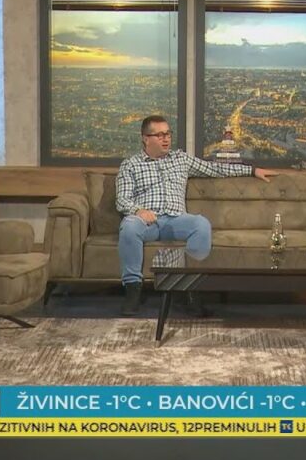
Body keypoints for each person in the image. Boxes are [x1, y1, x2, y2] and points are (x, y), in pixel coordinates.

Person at [117, 115, 278, 316]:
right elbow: (122, 200)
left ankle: (190, 290)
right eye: (159, 135)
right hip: (147, 221)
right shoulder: (130, 165)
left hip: (177, 220)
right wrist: (138, 211)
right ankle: (133, 290)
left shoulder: (181, 159)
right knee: (129, 226)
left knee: (201, 224)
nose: (166, 139)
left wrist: (252, 171)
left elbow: (215, 169)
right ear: (145, 138)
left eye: (168, 134)